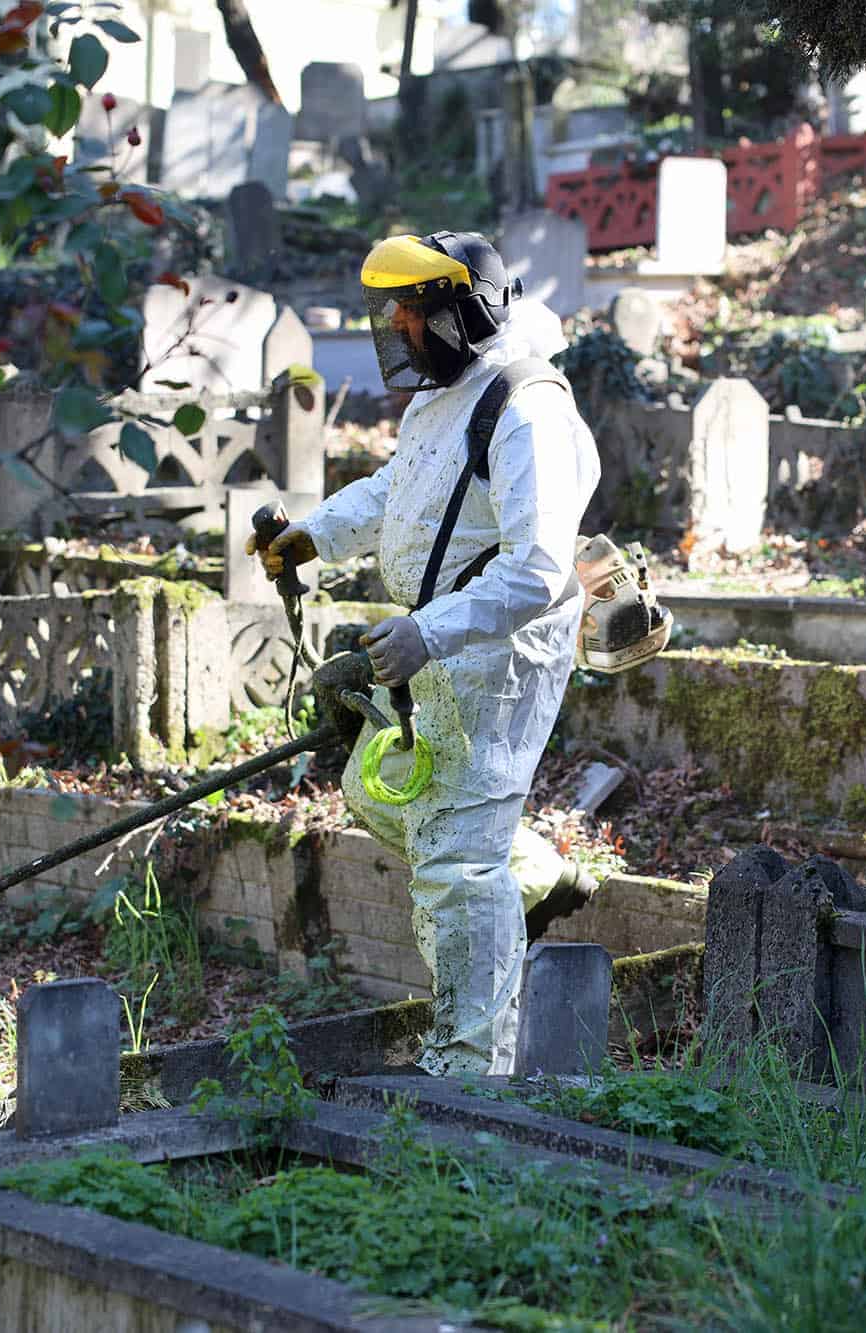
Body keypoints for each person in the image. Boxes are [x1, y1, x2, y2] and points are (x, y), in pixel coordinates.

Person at [249, 231, 600, 1077]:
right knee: (374, 789)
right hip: (440, 636)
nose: (400, 326)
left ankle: (472, 1069)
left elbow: (542, 569)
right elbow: (399, 487)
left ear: (465, 311)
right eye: (394, 311)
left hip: (499, 651)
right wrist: (315, 536)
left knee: (455, 865)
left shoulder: (528, 410)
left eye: (414, 311)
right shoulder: (448, 395)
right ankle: (534, 873)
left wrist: (428, 632)